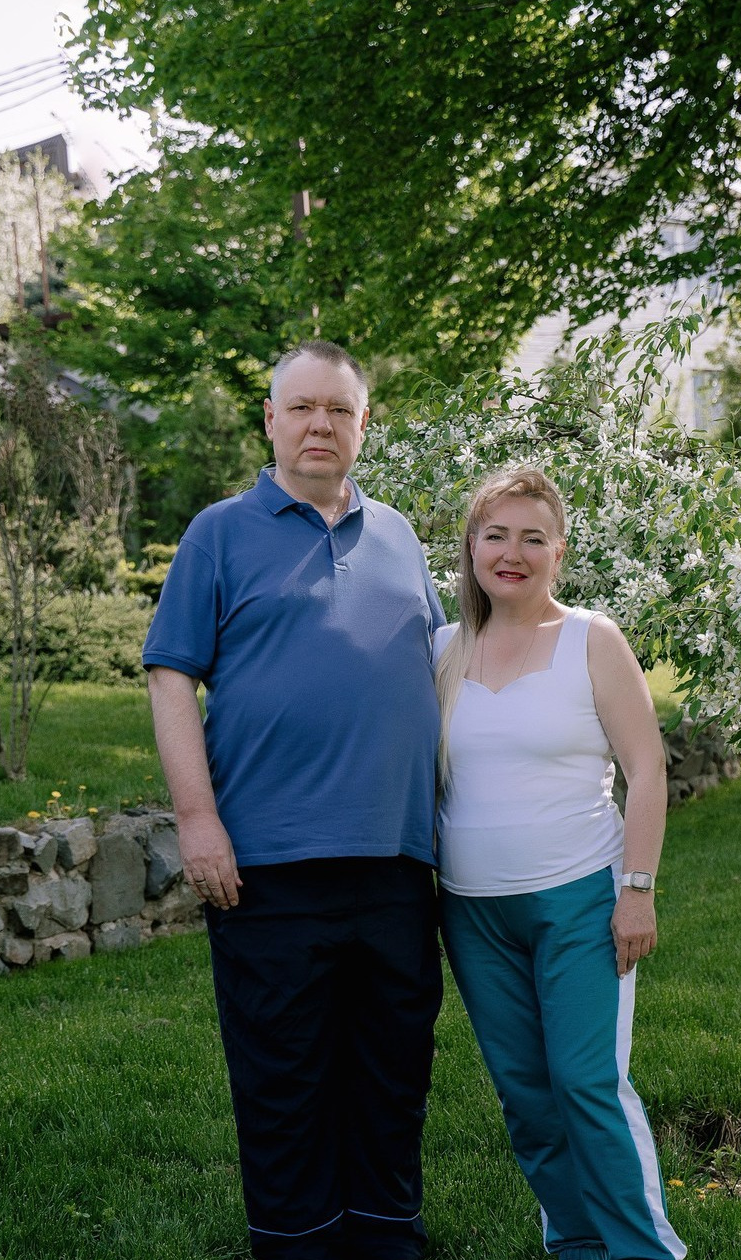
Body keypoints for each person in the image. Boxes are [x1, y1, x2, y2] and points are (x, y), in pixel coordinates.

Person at [142, 340, 445, 1260]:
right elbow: (169, 676)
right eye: (303, 407)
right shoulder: (220, 533)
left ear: (362, 427)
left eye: (340, 411)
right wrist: (199, 821)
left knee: (393, 1069)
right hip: (267, 867)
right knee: (285, 1076)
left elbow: (444, 669)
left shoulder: (398, 535)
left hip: (396, 863)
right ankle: (297, 1239)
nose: (322, 424)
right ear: (270, 420)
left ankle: (387, 1233)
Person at [433, 467, 687, 1260]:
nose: (513, 553)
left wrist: (636, 890)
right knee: (528, 1101)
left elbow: (647, 769)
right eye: (496, 534)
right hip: (471, 911)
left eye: (532, 538)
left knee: (585, 1087)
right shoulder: (442, 647)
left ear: (559, 551)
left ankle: (647, 1252)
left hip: (580, 899)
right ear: (471, 546)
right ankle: (577, 1246)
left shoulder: (591, 638)